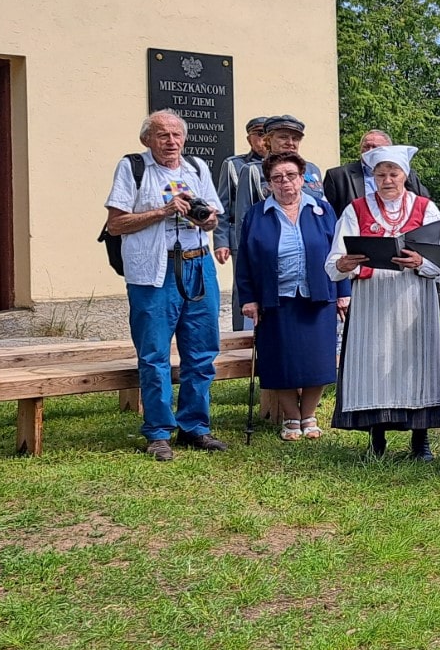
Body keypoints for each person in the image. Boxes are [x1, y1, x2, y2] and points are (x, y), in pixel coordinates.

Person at [104, 110, 228, 460]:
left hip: (198, 265)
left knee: (202, 351)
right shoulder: (132, 168)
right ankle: (158, 432)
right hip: (153, 271)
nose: (171, 142)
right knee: (155, 353)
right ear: (147, 140)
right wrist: (163, 211)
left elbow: (213, 219)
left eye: (176, 135)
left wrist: (205, 218)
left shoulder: (197, 168)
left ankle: (195, 426)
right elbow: (115, 225)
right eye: (163, 135)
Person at [326, 145, 440, 459]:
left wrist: (421, 261)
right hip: (373, 299)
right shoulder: (356, 209)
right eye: (381, 174)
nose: (387, 180)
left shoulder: (425, 208)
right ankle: (376, 438)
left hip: (413, 296)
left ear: (404, 176)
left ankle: (420, 440)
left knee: (416, 361)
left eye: (393, 173)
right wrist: (344, 264)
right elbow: (334, 260)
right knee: (374, 362)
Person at [234, 150, 346, 441]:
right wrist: (248, 298)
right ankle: (291, 417)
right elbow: (245, 260)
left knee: (318, 360)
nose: (285, 182)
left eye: (291, 176)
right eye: (277, 178)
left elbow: (340, 253)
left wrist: (343, 292)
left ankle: (309, 415)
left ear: (302, 178)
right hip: (275, 299)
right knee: (279, 360)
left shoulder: (322, 209)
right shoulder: (257, 214)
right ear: (269, 183)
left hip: (318, 296)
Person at [213, 115, 268, 331]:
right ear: (249, 139)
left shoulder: (284, 166)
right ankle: (241, 334)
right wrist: (221, 241)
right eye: (259, 134)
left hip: (271, 235)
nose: (264, 139)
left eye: (268, 134)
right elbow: (223, 204)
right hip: (241, 235)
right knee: (243, 288)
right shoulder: (234, 165)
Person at [323, 128, 430, 217]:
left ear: (388, 150)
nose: (370, 151)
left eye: (375, 147)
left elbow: (424, 200)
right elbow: (328, 214)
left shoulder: (403, 173)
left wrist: (404, 171)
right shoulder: (338, 176)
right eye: (366, 146)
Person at [259, 115, 325, 201]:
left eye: (295, 139)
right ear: (268, 140)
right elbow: (245, 207)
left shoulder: (311, 169)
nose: (290, 142)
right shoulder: (254, 171)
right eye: (283, 137)